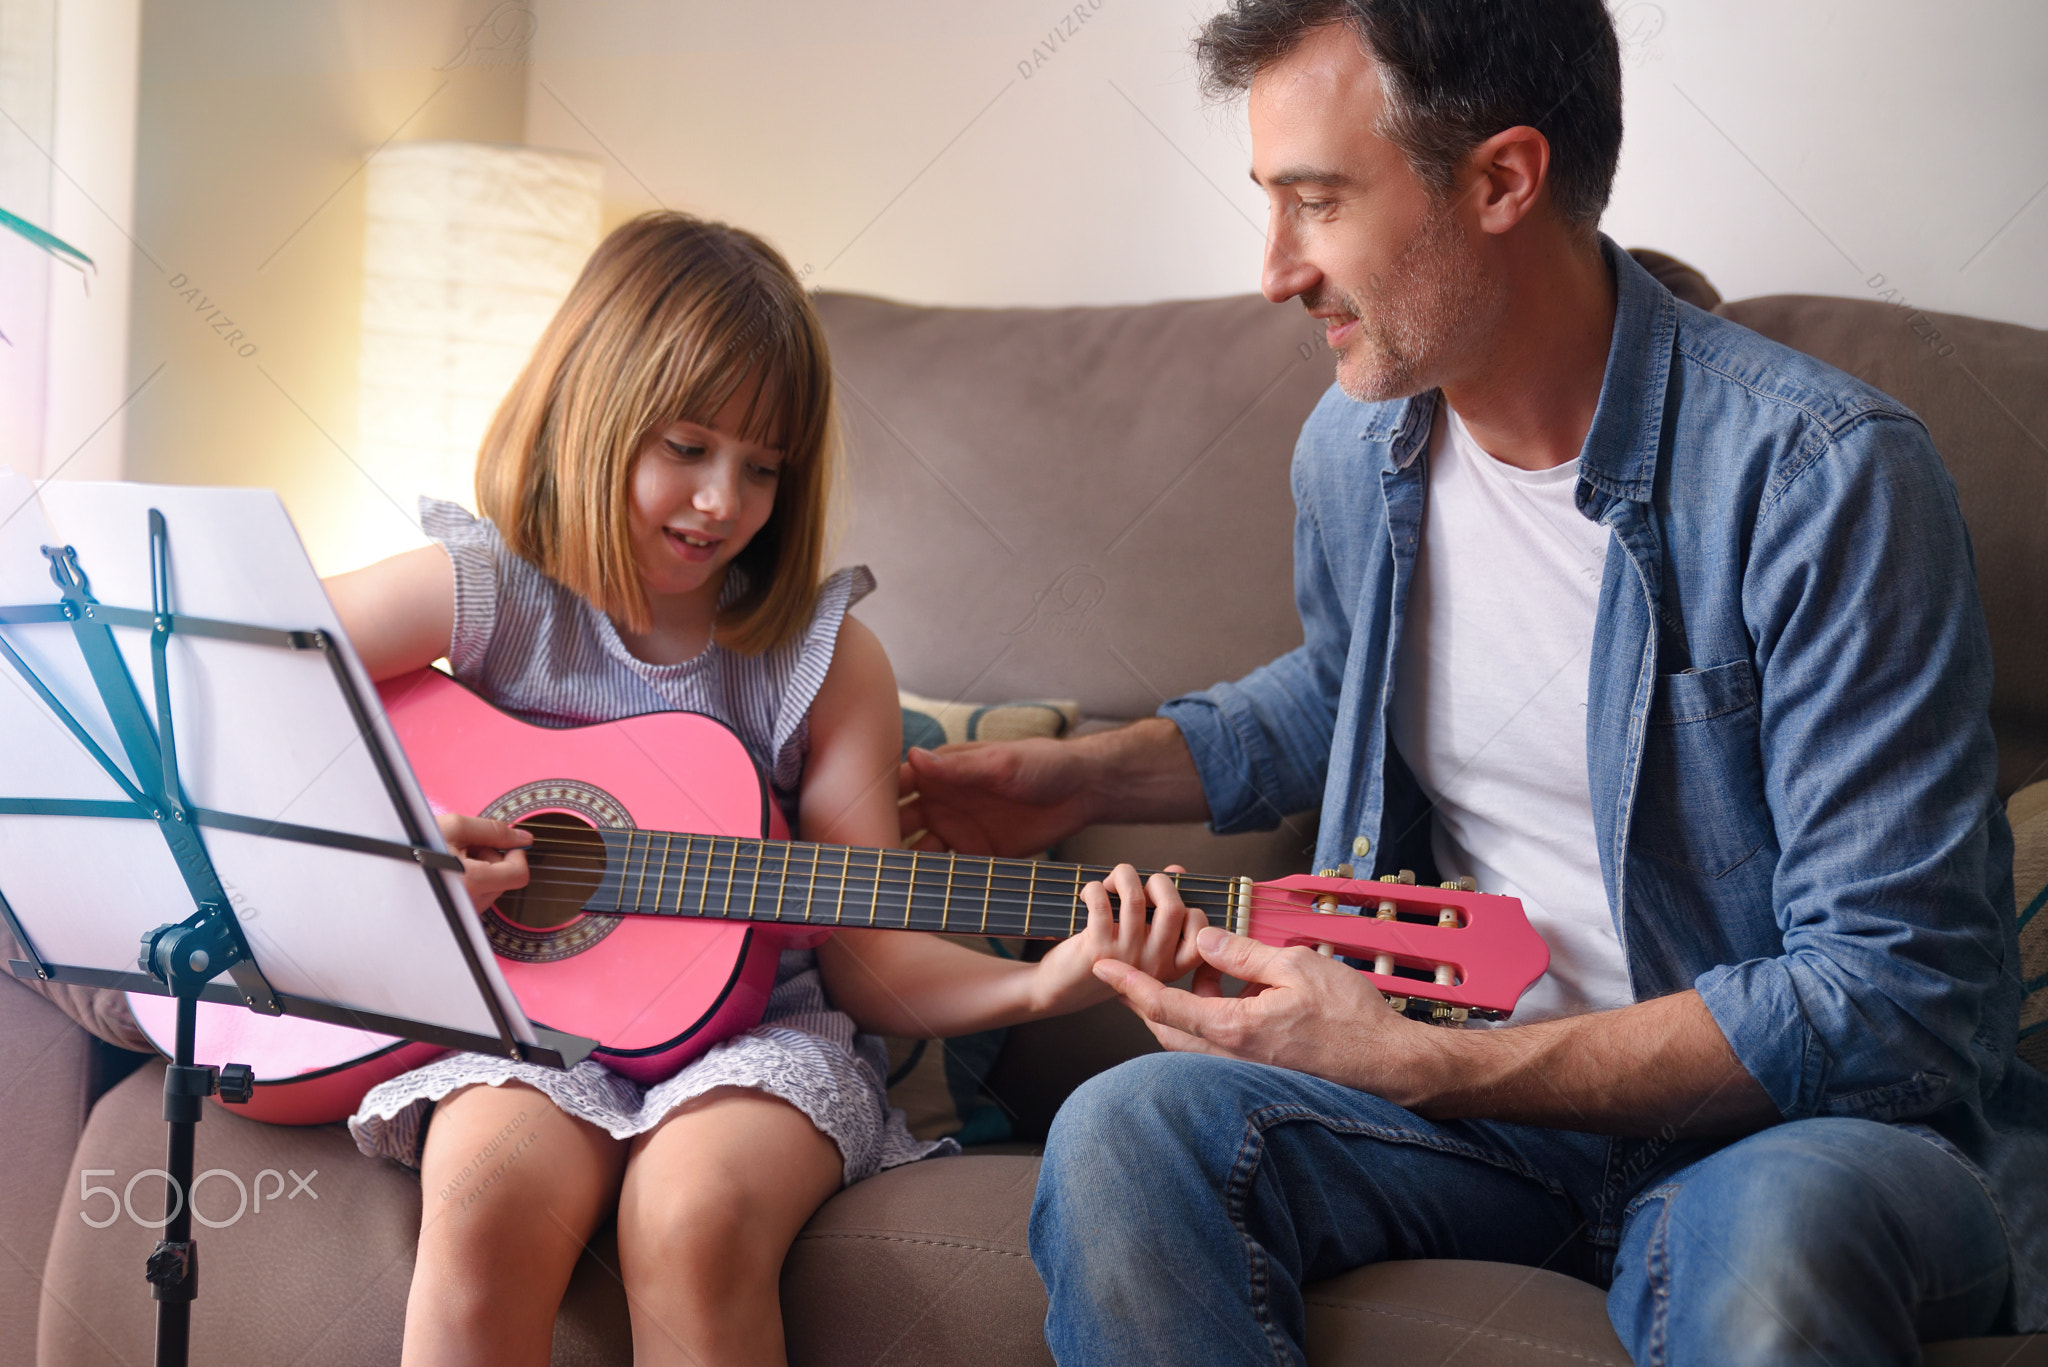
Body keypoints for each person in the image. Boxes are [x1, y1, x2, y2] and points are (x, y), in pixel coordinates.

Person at [896, 3, 2046, 1363]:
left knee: (1781, 1248)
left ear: (1503, 178)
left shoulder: (1823, 477)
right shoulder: (1356, 445)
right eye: (1270, 206)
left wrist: (1415, 1057)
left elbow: (1884, 995)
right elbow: (1354, 693)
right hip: (1486, 1126)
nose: (1274, 271)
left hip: (1799, 1136)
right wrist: (1088, 774)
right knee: (1128, 1125)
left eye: (1317, 204)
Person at [325, 212, 1205, 1367]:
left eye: (762, 466)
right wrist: (396, 840)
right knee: (485, 1203)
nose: (720, 501)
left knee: (688, 1218)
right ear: (591, 414)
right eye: (686, 446)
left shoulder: (821, 659)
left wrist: (1039, 986)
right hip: (534, 1029)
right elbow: (236, 689)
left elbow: (866, 949)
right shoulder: (490, 593)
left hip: (755, 1042)